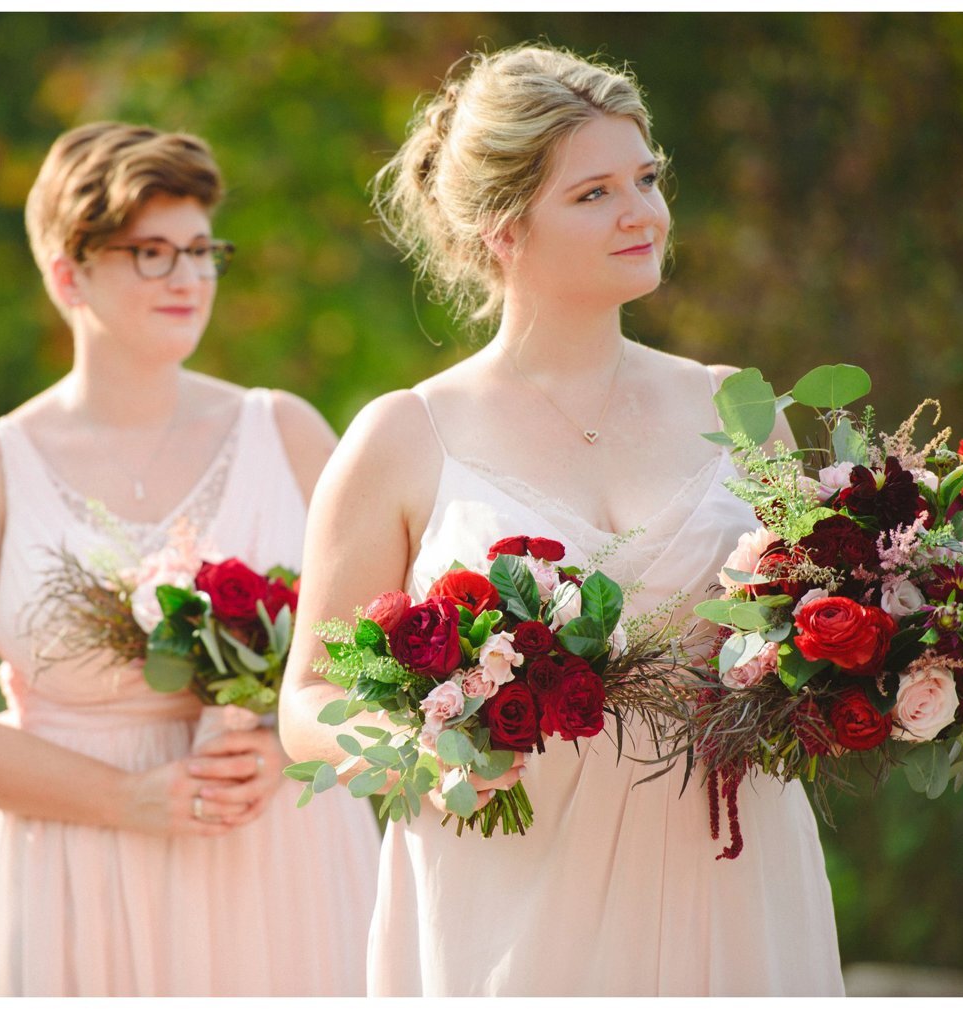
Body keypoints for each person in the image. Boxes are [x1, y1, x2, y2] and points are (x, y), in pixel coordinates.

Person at [278, 46, 844, 996]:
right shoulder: (402, 437)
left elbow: (813, 633)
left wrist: (885, 650)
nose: (644, 212)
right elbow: (305, 703)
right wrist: (426, 750)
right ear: (503, 229)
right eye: (594, 194)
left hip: (734, 870)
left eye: (648, 178)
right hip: (510, 886)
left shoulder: (744, 407)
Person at [0, 121, 378, 997]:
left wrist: (285, 743)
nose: (189, 277)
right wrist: (124, 799)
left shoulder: (290, 433)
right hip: (62, 872)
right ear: (66, 272)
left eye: (201, 250)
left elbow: (366, 658)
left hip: (270, 863)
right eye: (151, 252)